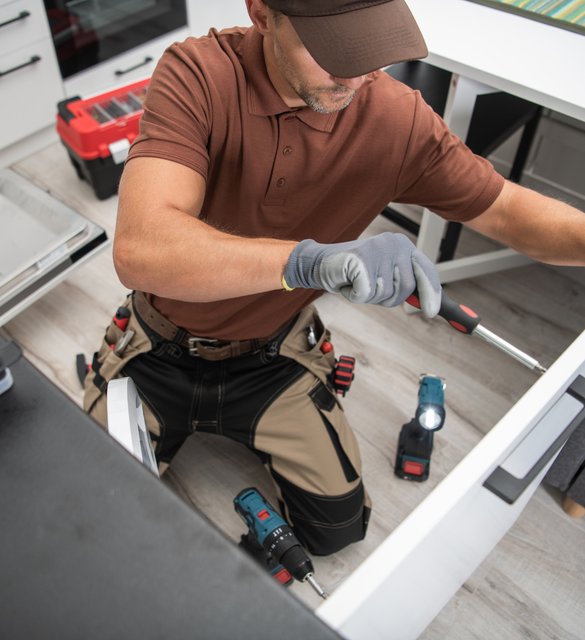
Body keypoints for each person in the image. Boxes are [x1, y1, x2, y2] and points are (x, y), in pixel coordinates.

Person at [83, 0, 585, 557]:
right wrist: (306, 261)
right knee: (95, 520)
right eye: (334, 51)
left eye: (371, 50)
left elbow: (508, 211)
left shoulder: (396, 119)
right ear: (262, 13)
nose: (358, 75)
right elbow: (141, 247)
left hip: (271, 355)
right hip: (160, 347)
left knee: (336, 531)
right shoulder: (199, 75)